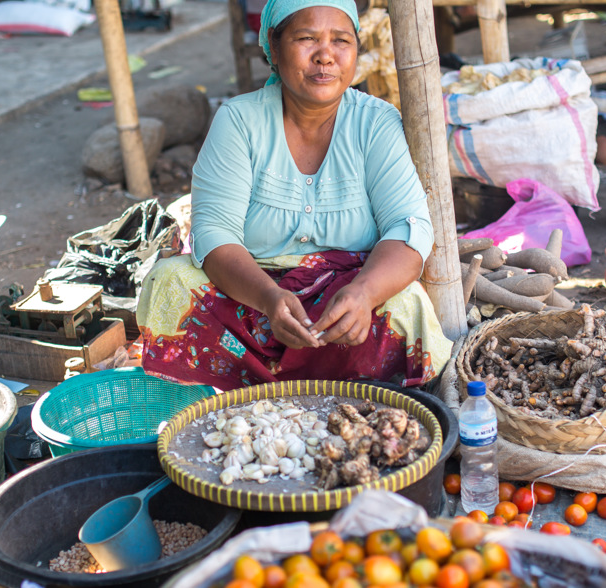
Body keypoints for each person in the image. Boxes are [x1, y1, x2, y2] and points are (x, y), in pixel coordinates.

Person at [136, 0, 452, 390]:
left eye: (341, 40)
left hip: (344, 307)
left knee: (406, 305)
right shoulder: (239, 121)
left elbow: (409, 229)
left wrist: (364, 294)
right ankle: (218, 398)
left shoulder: (376, 122)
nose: (326, 56)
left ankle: (362, 398)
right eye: (307, 38)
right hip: (251, 299)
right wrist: (269, 298)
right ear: (274, 44)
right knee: (169, 280)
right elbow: (215, 233)